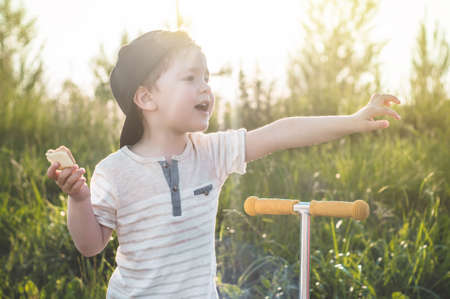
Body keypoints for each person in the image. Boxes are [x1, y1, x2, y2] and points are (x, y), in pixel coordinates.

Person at [46, 30, 401, 298]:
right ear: (145, 97)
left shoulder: (211, 153)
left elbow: (283, 131)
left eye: (207, 78)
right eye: (190, 78)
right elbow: (91, 245)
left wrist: (354, 119)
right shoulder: (115, 171)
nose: (205, 88)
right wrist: (79, 200)